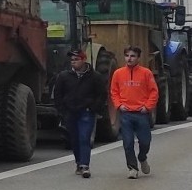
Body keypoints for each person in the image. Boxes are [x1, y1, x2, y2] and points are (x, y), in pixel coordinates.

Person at [52, 49, 107, 177]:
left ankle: (85, 165)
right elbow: (58, 94)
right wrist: (61, 110)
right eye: (72, 60)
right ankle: (78, 162)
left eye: (76, 60)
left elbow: (102, 94)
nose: (73, 62)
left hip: (86, 112)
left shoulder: (94, 76)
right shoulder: (64, 76)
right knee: (74, 139)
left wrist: (93, 108)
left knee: (84, 138)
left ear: (83, 60)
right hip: (70, 112)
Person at [109, 45, 158, 178]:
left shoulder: (146, 73)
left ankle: (142, 157)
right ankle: (132, 168)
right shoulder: (118, 73)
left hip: (142, 113)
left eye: (132, 56)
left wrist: (147, 107)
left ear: (138, 58)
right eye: (127, 56)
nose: (129, 59)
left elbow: (154, 92)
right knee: (128, 142)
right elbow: (114, 91)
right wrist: (119, 105)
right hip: (126, 113)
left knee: (145, 141)